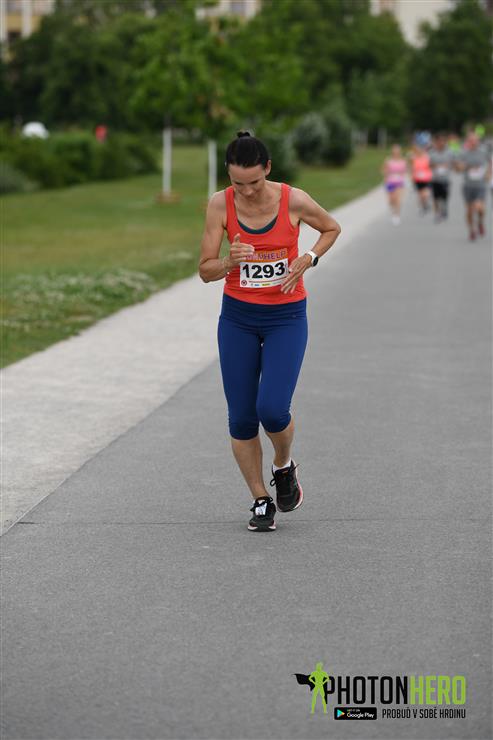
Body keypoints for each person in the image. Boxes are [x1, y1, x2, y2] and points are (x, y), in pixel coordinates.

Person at [199, 132, 341, 532]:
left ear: (268, 169)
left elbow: (331, 228)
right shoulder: (219, 204)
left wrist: (308, 257)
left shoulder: (293, 199)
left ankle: (284, 465)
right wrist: (229, 262)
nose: (245, 191)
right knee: (242, 419)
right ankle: (260, 499)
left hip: (286, 318)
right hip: (238, 319)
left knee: (273, 410)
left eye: (254, 182)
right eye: (237, 183)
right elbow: (205, 270)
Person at [456, 132, 491, 241]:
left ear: (478, 141)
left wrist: (489, 173)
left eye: (475, 140)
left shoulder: (484, 151)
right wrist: (462, 167)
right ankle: (472, 230)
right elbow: (457, 168)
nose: (473, 143)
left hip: (480, 185)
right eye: (471, 141)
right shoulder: (463, 153)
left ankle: (480, 222)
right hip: (468, 186)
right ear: (468, 142)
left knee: (480, 208)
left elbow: (490, 162)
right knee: (470, 211)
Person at [429, 133, 455, 222]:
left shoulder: (449, 152)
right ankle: (437, 214)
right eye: (439, 141)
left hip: (445, 179)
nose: (441, 143)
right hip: (435, 179)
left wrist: (447, 166)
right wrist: (435, 166)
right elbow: (429, 164)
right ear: (436, 142)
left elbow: (453, 163)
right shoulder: (432, 152)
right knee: (435, 198)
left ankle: (444, 209)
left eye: (443, 141)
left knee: (444, 197)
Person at [382, 145, 407, 225]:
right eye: (394, 152)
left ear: (399, 152)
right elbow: (384, 170)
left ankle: (397, 215)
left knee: (397, 199)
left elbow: (405, 171)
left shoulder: (403, 161)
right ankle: (393, 211)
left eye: (397, 152)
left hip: (399, 182)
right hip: (390, 181)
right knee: (391, 200)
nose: (396, 153)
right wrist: (385, 177)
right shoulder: (388, 160)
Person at [409, 141, 432, 214]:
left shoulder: (427, 157)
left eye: (419, 149)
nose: (418, 151)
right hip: (417, 178)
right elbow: (411, 168)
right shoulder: (413, 158)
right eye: (417, 150)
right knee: (420, 194)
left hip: (426, 178)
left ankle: (425, 203)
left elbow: (430, 166)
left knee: (426, 194)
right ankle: (422, 206)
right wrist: (411, 176)